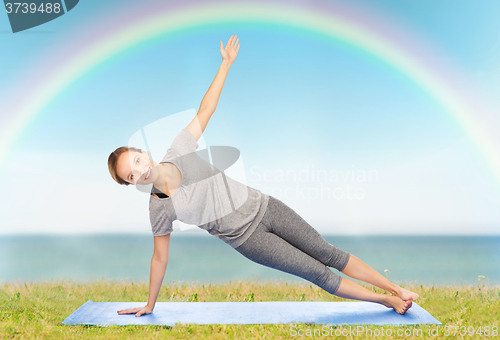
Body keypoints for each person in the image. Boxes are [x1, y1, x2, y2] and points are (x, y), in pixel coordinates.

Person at [108, 35, 419, 318]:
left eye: (137, 160)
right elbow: (159, 259)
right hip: (249, 239)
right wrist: (151, 304)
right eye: (131, 175)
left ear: (144, 152)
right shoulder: (160, 208)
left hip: (267, 206)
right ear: (131, 184)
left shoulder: (179, 149)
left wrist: (226, 65)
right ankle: (386, 302)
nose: (140, 169)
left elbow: (206, 110)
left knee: (328, 253)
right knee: (318, 273)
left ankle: (396, 290)